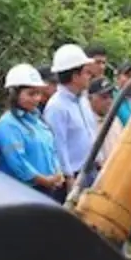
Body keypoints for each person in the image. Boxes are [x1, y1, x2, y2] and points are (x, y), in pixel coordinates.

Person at [0, 63, 65, 202]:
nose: (36, 99)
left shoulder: (38, 120)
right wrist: (44, 180)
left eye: (38, 93)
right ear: (14, 94)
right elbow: (18, 162)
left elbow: (51, 150)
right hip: (20, 194)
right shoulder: (7, 125)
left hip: (46, 190)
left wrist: (57, 172)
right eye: (31, 94)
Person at [44, 43, 98, 185]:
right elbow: (58, 145)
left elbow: (91, 133)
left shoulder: (82, 100)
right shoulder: (57, 107)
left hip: (91, 170)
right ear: (75, 76)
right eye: (86, 72)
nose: (90, 76)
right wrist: (69, 178)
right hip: (75, 176)